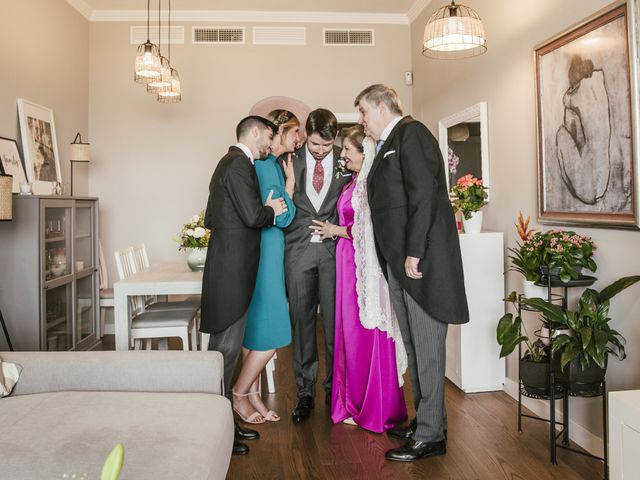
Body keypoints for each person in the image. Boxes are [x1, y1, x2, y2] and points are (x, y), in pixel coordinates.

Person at [353, 84, 469, 461]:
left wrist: (414, 252)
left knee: (429, 349)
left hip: (421, 265)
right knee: (416, 349)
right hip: (402, 266)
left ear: (383, 107)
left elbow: (423, 196)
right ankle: (427, 421)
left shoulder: (411, 134)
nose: (361, 121)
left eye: (363, 112)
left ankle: (432, 435)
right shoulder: (389, 143)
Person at [310, 124, 408, 433]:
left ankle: (375, 406)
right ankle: (353, 400)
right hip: (347, 262)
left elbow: (372, 229)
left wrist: (335, 231)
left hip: (361, 264)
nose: (345, 155)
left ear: (364, 154)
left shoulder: (369, 185)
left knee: (364, 333)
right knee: (348, 333)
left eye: (349, 150)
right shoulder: (354, 182)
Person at [200, 115, 287, 456]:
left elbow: (211, 218)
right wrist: (272, 209)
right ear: (254, 132)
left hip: (229, 269)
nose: (270, 142)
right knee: (224, 353)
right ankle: (219, 430)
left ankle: (227, 425)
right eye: (268, 136)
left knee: (226, 351)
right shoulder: (237, 164)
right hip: (232, 273)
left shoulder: (232, 163)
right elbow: (253, 217)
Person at [284, 108, 351, 424]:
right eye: (314, 145)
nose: (321, 151)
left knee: (335, 325)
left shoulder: (347, 161)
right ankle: (305, 392)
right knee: (302, 321)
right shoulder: (290, 159)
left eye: (326, 146)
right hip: (297, 252)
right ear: (304, 137)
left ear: (335, 139)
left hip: (334, 253)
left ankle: (334, 389)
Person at [232, 110, 300, 424]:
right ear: (278, 133)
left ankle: (252, 396)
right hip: (267, 249)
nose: (298, 139)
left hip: (266, 250)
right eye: (294, 132)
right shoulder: (266, 167)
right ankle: (239, 392)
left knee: (257, 332)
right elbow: (283, 217)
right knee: (271, 334)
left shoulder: (266, 165)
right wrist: (291, 185)